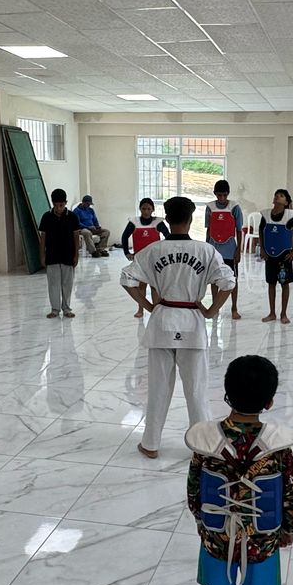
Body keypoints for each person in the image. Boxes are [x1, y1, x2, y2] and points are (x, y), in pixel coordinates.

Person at [185, 355, 293, 585]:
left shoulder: (206, 442)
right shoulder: (278, 446)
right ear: (269, 402)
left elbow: (194, 490)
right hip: (261, 541)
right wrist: (288, 529)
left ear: (226, 395)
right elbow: (289, 493)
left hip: (217, 537)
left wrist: (202, 524)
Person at [120, 196, 235, 459]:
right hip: (192, 322)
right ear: (191, 219)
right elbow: (228, 282)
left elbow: (127, 278)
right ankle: (203, 447)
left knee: (158, 389)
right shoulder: (206, 251)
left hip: (162, 321)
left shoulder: (154, 250)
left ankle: (150, 444)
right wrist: (211, 310)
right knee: (196, 391)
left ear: (167, 219)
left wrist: (148, 306)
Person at [260, 188, 293, 324]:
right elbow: (261, 232)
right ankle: (272, 313)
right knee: (271, 284)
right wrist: (262, 249)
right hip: (269, 255)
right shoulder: (265, 215)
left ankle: (283, 313)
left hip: (284, 256)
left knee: (284, 284)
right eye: (276, 195)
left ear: (286, 202)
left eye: (281, 196)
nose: (277, 197)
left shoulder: (290, 217)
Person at [37, 188, 80, 318]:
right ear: (53, 204)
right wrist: (42, 255)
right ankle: (55, 309)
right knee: (53, 284)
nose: (59, 208)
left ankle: (66, 308)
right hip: (52, 255)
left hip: (68, 255)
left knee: (67, 284)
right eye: (56, 205)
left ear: (65, 203)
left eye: (61, 205)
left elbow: (76, 236)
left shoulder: (72, 217)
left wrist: (76, 255)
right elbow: (43, 237)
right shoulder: (46, 217)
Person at [205, 179, 244, 320]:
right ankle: (215, 308)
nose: (221, 198)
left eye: (224, 195)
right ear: (215, 193)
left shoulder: (235, 207)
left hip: (230, 249)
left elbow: (239, 230)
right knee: (214, 279)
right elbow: (208, 229)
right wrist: (207, 248)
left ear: (228, 193)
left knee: (233, 279)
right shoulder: (210, 208)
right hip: (214, 248)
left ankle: (234, 308)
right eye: (219, 195)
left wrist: (238, 250)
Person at [121, 197, 164, 320]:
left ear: (153, 210)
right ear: (140, 209)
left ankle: (156, 309)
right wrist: (127, 252)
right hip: (140, 260)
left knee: (155, 286)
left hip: (155, 259)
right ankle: (140, 309)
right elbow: (124, 237)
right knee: (141, 286)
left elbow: (168, 236)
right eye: (143, 209)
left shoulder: (158, 222)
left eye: (149, 209)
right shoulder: (134, 222)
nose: (146, 211)